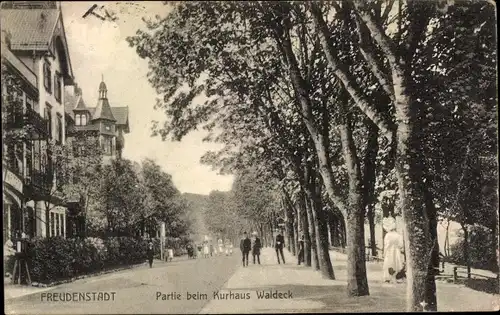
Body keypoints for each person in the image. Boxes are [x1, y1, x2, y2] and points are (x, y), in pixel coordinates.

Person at [382, 217, 405, 283]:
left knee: (388, 264)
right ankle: (397, 277)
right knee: (396, 263)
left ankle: (388, 278)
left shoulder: (388, 235)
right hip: (396, 251)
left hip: (389, 251)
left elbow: (386, 245)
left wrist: (384, 253)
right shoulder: (398, 235)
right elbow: (401, 245)